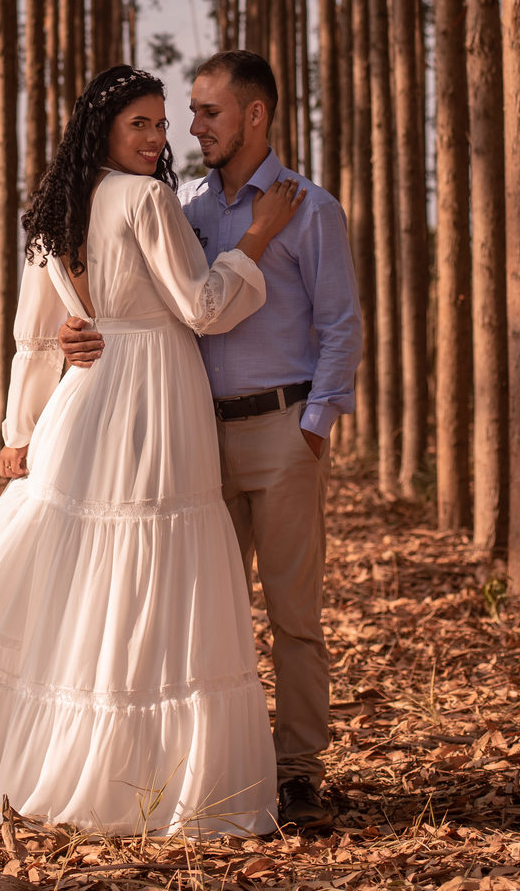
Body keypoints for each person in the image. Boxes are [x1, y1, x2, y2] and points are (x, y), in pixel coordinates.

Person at [0, 64, 305, 838]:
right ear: (102, 128)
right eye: (140, 123)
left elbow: (35, 340)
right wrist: (257, 238)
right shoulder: (146, 199)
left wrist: (21, 429)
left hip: (84, 400)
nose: (157, 138)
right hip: (152, 399)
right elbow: (203, 307)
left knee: (79, 580)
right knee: (148, 580)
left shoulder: (57, 209)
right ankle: (134, 781)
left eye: (161, 124)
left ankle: (65, 766)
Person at [60, 51, 363, 834]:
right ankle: (214, 772)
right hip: (195, 438)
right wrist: (78, 330)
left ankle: (298, 774)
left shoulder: (311, 209)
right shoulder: (184, 205)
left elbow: (341, 325)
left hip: (283, 433)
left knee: (293, 618)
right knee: (199, 616)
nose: (191, 129)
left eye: (207, 113)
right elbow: (145, 296)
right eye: (188, 114)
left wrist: (314, 427)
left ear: (255, 115)